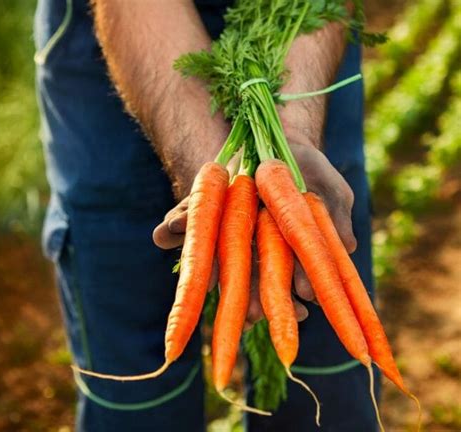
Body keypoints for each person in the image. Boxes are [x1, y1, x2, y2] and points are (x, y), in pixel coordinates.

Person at [35, 0, 379, 430]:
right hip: (119, 33)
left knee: (329, 375)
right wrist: (215, 180)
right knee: (136, 387)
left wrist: (294, 135)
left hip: (303, 38)